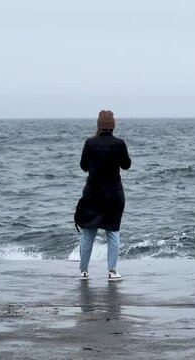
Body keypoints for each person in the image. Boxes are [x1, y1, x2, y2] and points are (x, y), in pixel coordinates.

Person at [74, 110, 131, 282]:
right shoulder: (119, 143)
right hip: (114, 195)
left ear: (99, 125)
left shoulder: (90, 143)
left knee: (88, 234)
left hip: (93, 194)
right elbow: (127, 165)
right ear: (112, 126)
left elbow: (83, 166)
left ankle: (83, 271)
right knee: (113, 233)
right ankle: (112, 271)